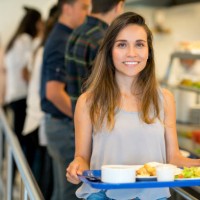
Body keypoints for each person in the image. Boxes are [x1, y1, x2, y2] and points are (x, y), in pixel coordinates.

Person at [66, 12, 200, 200]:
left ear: (148, 52)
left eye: (139, 44)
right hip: (103, 195)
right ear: (109, 51)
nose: (131, 53)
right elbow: (82, 157)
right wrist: (77, 167)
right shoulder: (88, 101)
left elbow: (174, 159)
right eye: (122, 45)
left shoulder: (165, 99)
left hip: (154, 196)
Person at [40, 0, 91, 199]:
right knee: (70, 192)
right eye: (84, 7)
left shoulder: (64, 36)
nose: (88, 14)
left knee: (63, 191)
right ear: (67, 8)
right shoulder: (62, 40)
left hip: (59, 125)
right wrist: (82, 119)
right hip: (63, 126)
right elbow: (53, 91)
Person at [22, 4, 58, 199]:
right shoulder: (46, 50)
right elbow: (51, 92)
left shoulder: (40, 47)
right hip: (40, 119)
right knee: (41, 181)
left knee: (38, 178)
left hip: (34, 116)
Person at [65, 0, 125, 113]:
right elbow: (111, 91)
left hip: (79, 120)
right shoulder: (104, 40)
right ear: (118, 6)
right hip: (99, 123)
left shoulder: (76, 32)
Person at [4, 6, 42, 151]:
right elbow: (25, 72)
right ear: (36, 23)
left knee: (18, 139)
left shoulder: (16, 40)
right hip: (21, 96)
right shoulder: (25, 40)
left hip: (13, 94)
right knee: (22, 143)